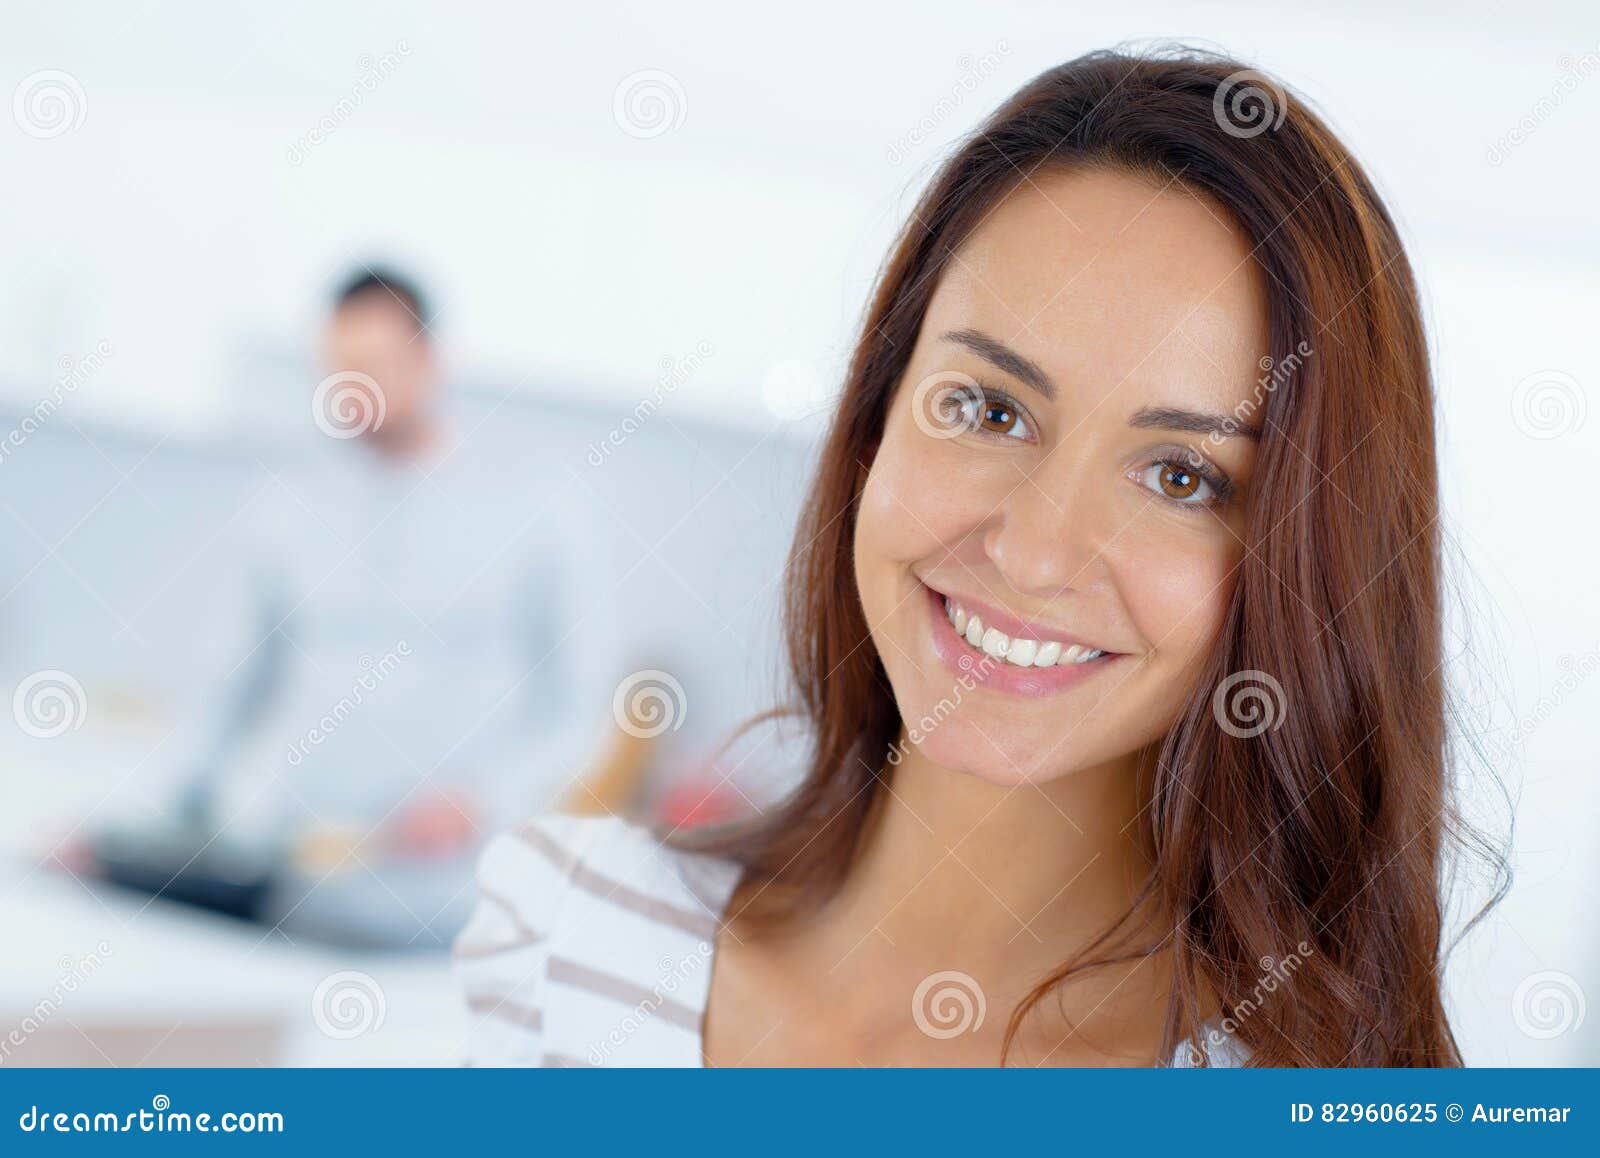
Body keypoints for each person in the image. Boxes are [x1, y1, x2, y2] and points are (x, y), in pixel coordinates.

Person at [455, 49, 1492, 1064]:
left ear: (1307, 567)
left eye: (1181, 475)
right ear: (875, 421)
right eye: (989, 410)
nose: (1035, 554)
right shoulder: (560, 940)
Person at [176, 266, 608, 944]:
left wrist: (479, 803)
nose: (353, 393)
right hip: (296, 896)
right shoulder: (286, 508)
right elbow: (220, 692)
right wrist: (152, 825)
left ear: (430, 360)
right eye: (337, 371)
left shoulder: (536, 509)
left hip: (460, 910)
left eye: (373, 367)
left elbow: (575, 713)